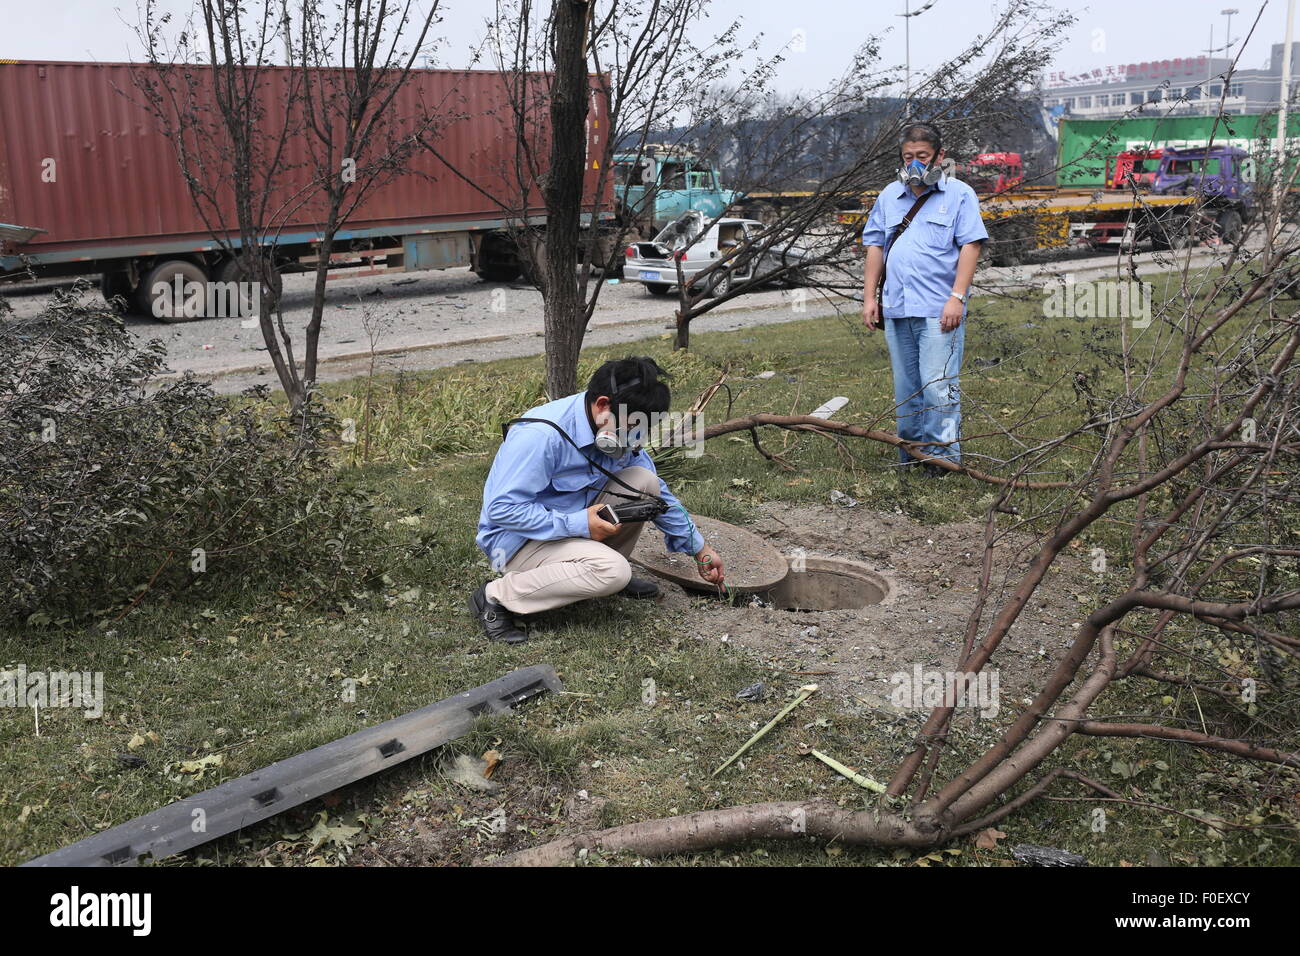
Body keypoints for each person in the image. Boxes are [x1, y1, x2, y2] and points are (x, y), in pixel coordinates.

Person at [469, 356, 726, 644]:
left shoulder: (611, 425)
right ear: (603, 405)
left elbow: (659, 495)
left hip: (571, 527)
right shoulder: (541, 437)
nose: (635, 438)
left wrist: (699, 547)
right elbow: (502, 511)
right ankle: (496, 596)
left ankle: (593, 569)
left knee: (645, 481)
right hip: (519, 542)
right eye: (631, 427)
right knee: (613, 572)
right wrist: (579, 523)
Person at [861, 122, 987, 477]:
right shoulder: (889, 196)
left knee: (939, 387)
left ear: (939, 157)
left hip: (938, 308)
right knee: (907, 389)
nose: (915, 164)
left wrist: (957, 298)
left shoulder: (959, 194)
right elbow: (875, 246)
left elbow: (971, 246)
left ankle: (943, 462)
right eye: (908, 157)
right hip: (898, 307)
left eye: (923, 157)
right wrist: (870, 297)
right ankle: (912, 457)